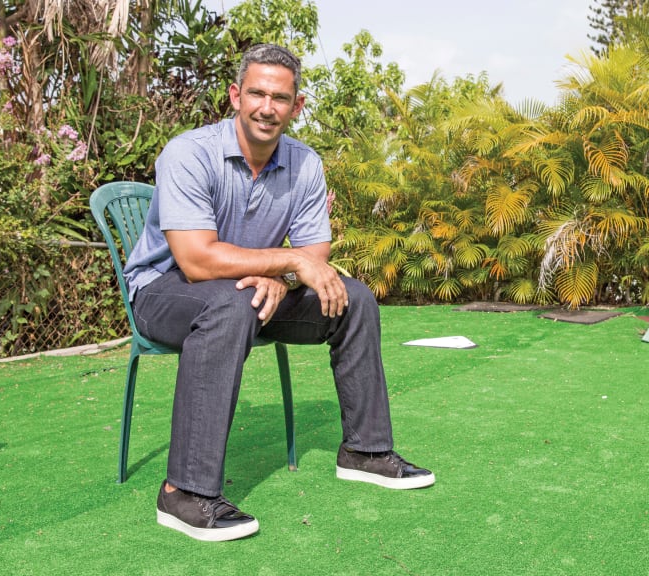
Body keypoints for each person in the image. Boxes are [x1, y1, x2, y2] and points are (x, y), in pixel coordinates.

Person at [122, 43, 434, 542]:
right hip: (165, 290)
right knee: (231, 304)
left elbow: (314, 255)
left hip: (251, 291)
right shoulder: (188, 153)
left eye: (280, 98)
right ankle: (183, 493)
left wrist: (282, 277)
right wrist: (287, 262)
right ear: (235, 96)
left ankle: (366, 451)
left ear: (297, 106)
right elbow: (197, 261)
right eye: (257, 94)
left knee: (354, 299)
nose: (267, 108)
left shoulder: (305, 164)